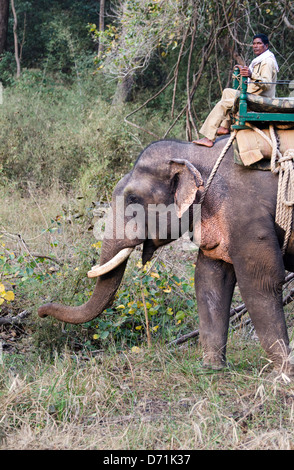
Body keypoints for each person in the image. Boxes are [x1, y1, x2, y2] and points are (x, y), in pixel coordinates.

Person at [193, 34, 279, 147]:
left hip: (260, 99)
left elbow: (267, 84)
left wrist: (251, 74)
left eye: (259, 43)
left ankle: (209, 138)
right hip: (254, 94)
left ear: (266, 46)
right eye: (254, 43)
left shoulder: (267, 62)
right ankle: (224, 126)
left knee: (223, 104)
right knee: (227, 91)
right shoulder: (260, 60)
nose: (255, 46)